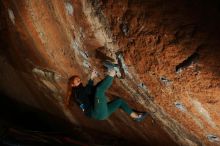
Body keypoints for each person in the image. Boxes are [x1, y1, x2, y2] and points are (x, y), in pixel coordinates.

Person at [65, 68, 147, 122]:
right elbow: (90, 90)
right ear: (72, 85)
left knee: (119, 102)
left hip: (101, 114)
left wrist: (100, 78)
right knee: (99, 90)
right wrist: (91, 78)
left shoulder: (78, 91)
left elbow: (91, 90)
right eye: (77, 81)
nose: (79, 80)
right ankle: (114, 72)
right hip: (96, 112)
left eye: (79, 79)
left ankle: (137, 117)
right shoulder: (76, 93)